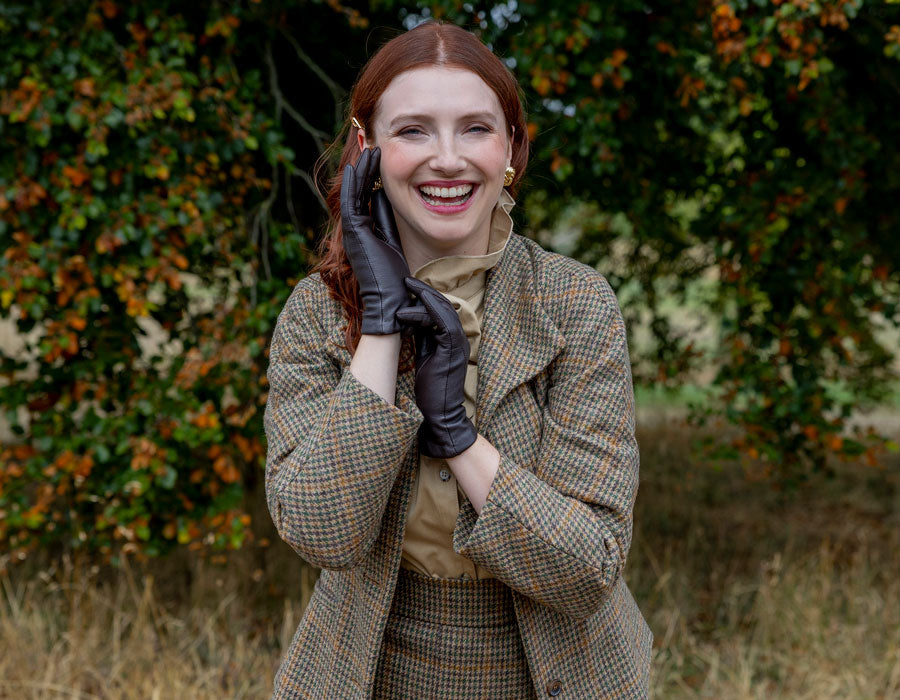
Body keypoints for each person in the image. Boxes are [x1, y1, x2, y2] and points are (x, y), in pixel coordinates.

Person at [263, 20, 652, 699]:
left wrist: (457, 434)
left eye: (475, 128)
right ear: (367, 150)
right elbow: (322, 532)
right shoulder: (317, 312)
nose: (448, 158)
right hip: (368, 673)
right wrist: (380, 326)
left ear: (510, 148)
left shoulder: (575, 303)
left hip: (564, 677)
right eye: (413, 130)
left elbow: (587, 568)